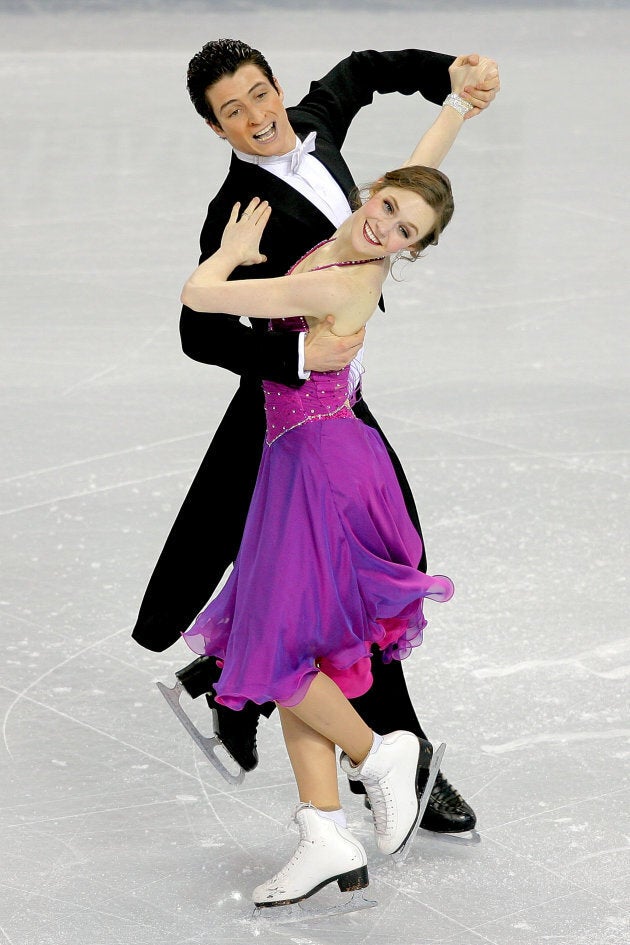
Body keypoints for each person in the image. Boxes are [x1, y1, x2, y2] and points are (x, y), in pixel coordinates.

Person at [131, 40, 499, 832]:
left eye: (261, 95)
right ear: (214, 126)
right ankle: (400, 760)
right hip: (293, 406)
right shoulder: (235, 211)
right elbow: (200, 327)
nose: (259, 118)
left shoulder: (316, 125)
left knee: (370, 572)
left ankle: (229, 676)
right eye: (234, 111)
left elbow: (365, 70)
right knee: (362, 585)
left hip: (338, 398)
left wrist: (450, 84)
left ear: (277, 87)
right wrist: (294, 352)